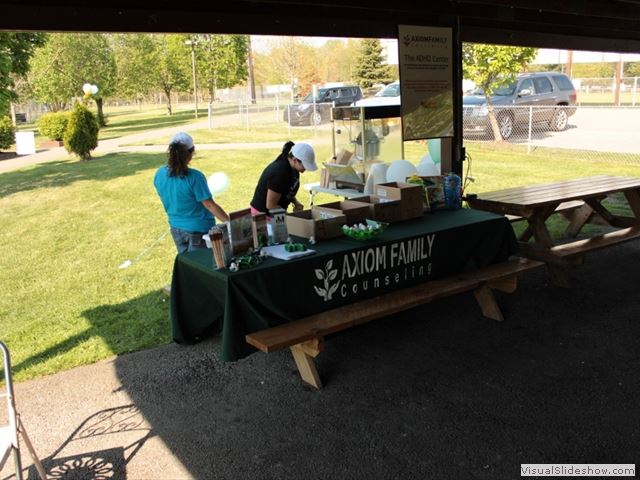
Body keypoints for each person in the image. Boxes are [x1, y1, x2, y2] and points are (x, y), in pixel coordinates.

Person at [154, 132, 229, 254]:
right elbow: (210, 205)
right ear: (190, 154)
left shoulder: (159, 174)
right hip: (198, 232)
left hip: (176, 229)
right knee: (200, 267)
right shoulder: (195, 177)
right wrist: (230, 223)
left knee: (188, 266)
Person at [250, 141, 317, 215]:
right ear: (295, 160)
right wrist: (290, 217)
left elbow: (284, 190)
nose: (306, 169)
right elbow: (271, 205)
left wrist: (295, 202)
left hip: (276, 213)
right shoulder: (279, 173)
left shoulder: (293, 167)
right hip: (263, 215)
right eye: (305, 165)